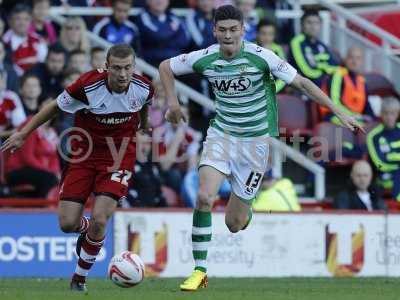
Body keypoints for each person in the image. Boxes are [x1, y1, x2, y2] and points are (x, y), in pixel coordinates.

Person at [159, 5, 363, 291]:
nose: (228, 35)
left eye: (234, 29)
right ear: (214, 31)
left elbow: (302, 83)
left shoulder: (262, 57)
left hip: (255, 145)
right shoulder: (205, 58)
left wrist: (338, 111)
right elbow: (166, 67)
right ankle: (200, 270)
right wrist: (172, 103)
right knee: (204, 197)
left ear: (243, 30)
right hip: (221, 136)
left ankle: (246, 210)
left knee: (234, 223)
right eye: (223, 30)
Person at [1, 44, 154, 292]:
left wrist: (144, 125)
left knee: (100, 219)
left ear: (134, 67)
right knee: (67, 224)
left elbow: (145, 102)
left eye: (127, 68)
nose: (123, 74)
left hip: (119, 157)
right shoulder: (87, 86)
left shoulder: (144, 86)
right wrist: (23, 133)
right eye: (116, 68)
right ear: (106, 67)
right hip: (84, 157)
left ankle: (79, 278)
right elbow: (53, 107)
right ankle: (85, 229)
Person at [320, 47, 374, 125]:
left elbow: (367, 106)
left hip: (355, 118)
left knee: (371, 126)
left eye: (358, 58)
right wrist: (353, 116)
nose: (354, 61)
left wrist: (372, 119)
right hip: (334, 116)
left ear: (362, 62)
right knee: (359, 127)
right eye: (351, 57)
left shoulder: (361, 80)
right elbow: (334, 104)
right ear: (345, 59)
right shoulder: (337, 75)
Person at [288, 9, 339, 87]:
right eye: (309, 22)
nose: (313, 27)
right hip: (304, 86)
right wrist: (326, 71)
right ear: (302, 25)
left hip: (322, 83)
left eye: (316, 23)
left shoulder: (321, 45)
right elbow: (307, 71)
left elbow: (334, 66)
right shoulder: (296, 42)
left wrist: (323, 69)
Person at [367, 97, 400, 201]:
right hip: (384, 176)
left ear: (397, 114)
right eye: (386, 113)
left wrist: (391, 157)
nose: (389, 117)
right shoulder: (373, 136)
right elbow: (380, 164)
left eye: (392, 113)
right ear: (381, 114)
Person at [256, 19, 286, 93]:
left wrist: (272, 90)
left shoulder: (278, 50)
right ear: (257, 34)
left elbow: (283, 76)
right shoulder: (250, 48)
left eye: (270, 34)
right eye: (263, 33)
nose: (267, 38)